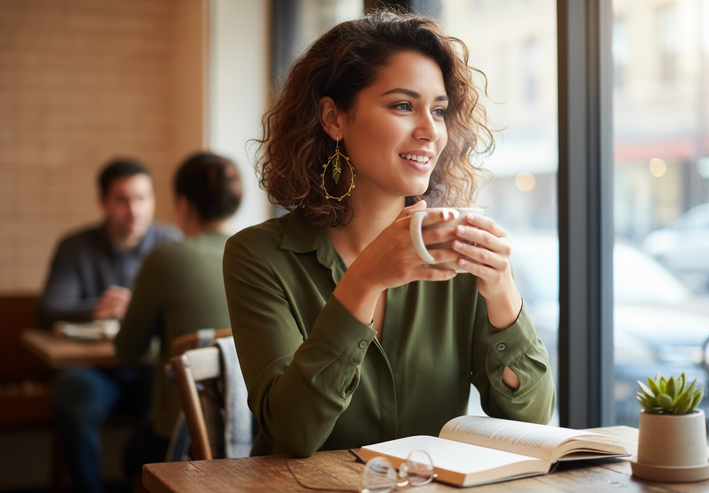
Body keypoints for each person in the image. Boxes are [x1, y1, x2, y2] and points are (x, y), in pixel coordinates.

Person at [222, 9, 556, 459]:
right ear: (333, 118)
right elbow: (293, 433)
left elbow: (531, 422)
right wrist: (364, 280)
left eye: (438, 110)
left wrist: (501, 292)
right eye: (403, 105)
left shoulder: (458, 251)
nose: (429, 130)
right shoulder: (259, 256)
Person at [37, 158, 181, 493]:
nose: (134, 210)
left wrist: (140, 307)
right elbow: (48, 311)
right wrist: (97, 308)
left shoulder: (170, 243)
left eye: (143, 198)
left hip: (152, 367)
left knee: (177, 398)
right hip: (92, 370)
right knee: (74, 396)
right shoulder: (76, 246)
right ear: (102, 202)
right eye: (122, 199)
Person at [115, 152, 242, 480]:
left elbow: (128, 347)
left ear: (182, 203)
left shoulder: (166, 258)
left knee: (133, 455)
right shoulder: (259, 252)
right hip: (252, 430)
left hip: (183, 437)